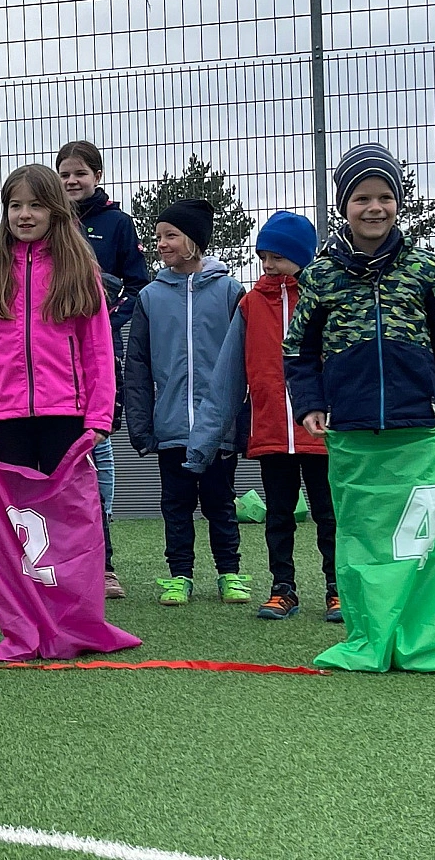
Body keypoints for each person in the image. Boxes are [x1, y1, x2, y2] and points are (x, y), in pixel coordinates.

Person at [285, 143, 435, 674]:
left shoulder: (426, 269)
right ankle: (371, 635)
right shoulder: (321, 275)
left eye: (385, 197)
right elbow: (298, 351)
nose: (374, 208)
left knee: (425, 540)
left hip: (417, 428)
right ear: (343, 207)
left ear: (398, 202)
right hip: (352, 430)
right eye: (361, 198)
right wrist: (310, 404)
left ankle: (428, 637)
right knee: (362, 537)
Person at [0, 164, 115, 606]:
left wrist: (99, 416)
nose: (24, 215)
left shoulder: (78, 270)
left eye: (35, 205)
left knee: (69, 512)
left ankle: (73, 601)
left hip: (67, 414)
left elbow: (98, 349)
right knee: (17, 516)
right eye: (15, 205)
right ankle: (23, 604)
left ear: (55, 210)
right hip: (6, 417)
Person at [184, 211, 339, 621]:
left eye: (277, 257)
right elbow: (227, 378)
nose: (268, 265)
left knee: (330, 516)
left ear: (302, 257)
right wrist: (203, 445)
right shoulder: (250, 304)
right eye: (263, 257)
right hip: (270, 432)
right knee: (278, 516)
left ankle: (338, 589)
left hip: (323, 433)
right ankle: (282, 589)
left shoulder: (325, 299)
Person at [124, 198, 250, 607]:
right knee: (176, 506)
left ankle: (229, 573)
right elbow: (137, 366)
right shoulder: (150, 297)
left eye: (171, 236)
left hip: (219, 430)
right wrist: (142, 426)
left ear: (194, 240)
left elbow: (247, 362)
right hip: (171, 427)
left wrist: (241, 424)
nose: (161, 243)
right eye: (158, 236)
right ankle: (180, 575)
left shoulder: (231, 292)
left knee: (220, 503)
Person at [56, 140, 148, 599]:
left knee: (99, 448)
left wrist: (106, 319)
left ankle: (101, 559)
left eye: (80, 173)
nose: (72, 181)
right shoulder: (49, 220)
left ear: (98, 176)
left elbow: (138, 284)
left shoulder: (118, 224)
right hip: (52, 353)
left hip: (100, 350)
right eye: (64, 174)